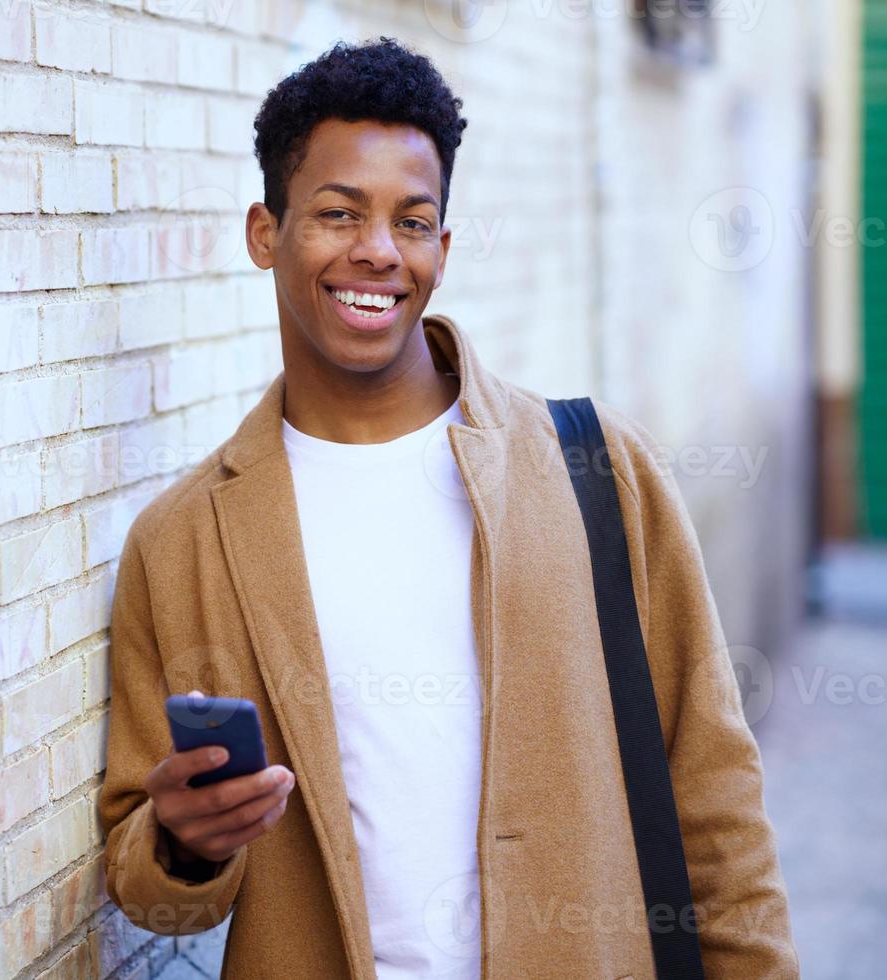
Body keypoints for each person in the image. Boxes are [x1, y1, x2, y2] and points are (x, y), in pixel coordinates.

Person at [98, 36, 799, 979]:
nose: (378, 252)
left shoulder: (596, 469)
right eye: (339, 214)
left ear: (445, 245)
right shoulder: (182, 542)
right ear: (266, 231)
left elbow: (714, 791)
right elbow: (144, 882)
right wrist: (187, 843)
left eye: (413, 221)